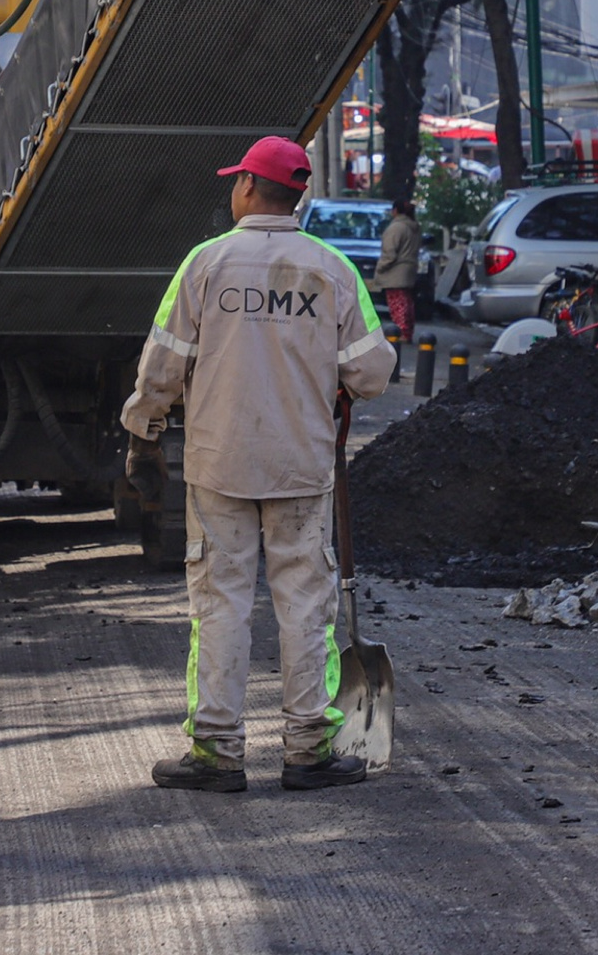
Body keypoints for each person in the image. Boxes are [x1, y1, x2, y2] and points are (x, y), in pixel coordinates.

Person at [123, 135, 394, 793]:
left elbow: (163, 363)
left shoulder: (205, 264)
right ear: (296, 194)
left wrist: (144, 427)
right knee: (305, 605)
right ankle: (308, 750)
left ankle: (215, 753)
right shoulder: (330, 270)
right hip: (298, 463)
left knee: (218, 603)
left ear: (247, 186)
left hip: (218, 462)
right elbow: (372, 370)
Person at [369, 198, 421, 344]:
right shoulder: (413, 227)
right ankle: (407, 331)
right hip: (409, 269)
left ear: (395, 211)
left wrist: (380, 267)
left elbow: (389, 252)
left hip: (395, 271)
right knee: (406, 302)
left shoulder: (396, 228)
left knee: (397, 303)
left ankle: (400, 331)